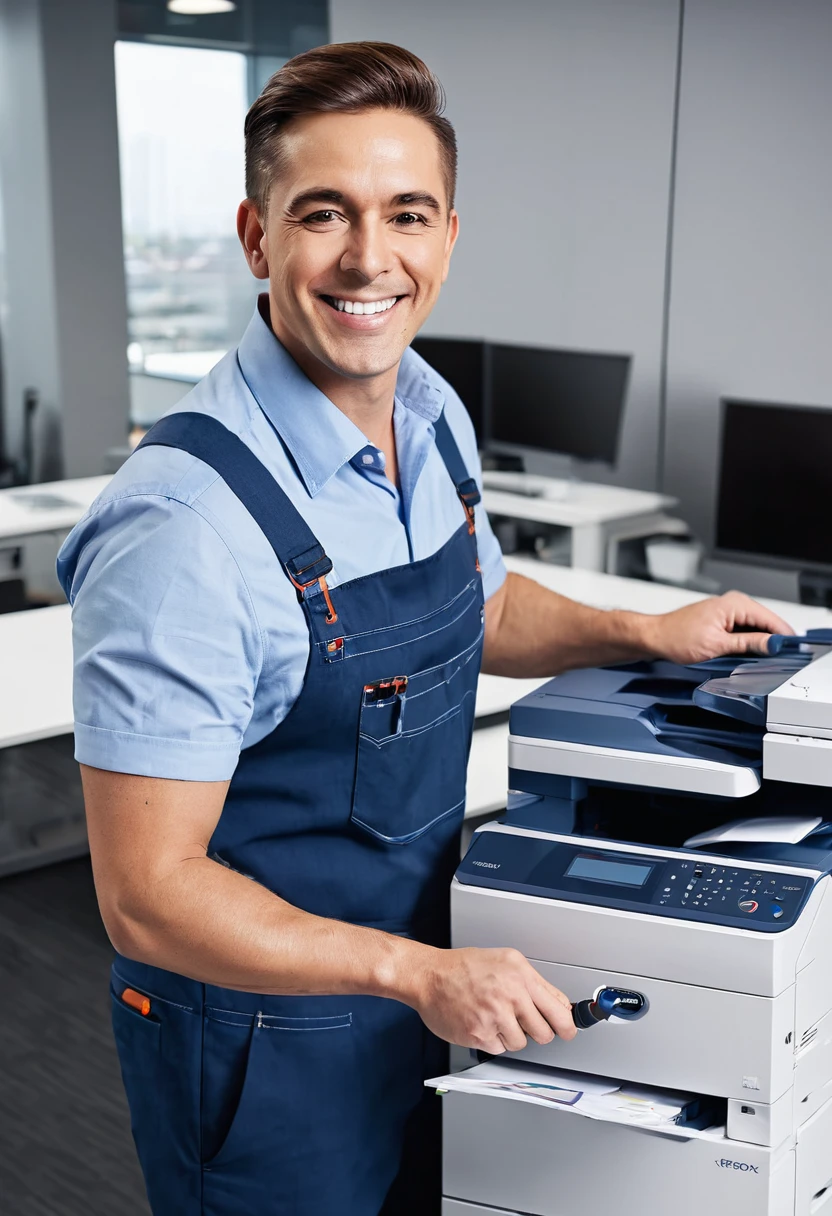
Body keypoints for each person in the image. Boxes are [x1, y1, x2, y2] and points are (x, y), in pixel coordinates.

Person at [57, 41, 792, 1216]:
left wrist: (643, 630)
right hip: (263, 1047)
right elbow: (147, 892)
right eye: (323, 215)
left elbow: (478, 603)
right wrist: (420, 973)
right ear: (256, 237)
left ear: (450, 234)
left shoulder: (426, 405)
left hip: (414, 992)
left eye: (406, 214)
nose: (368, 258)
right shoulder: (181, 528)